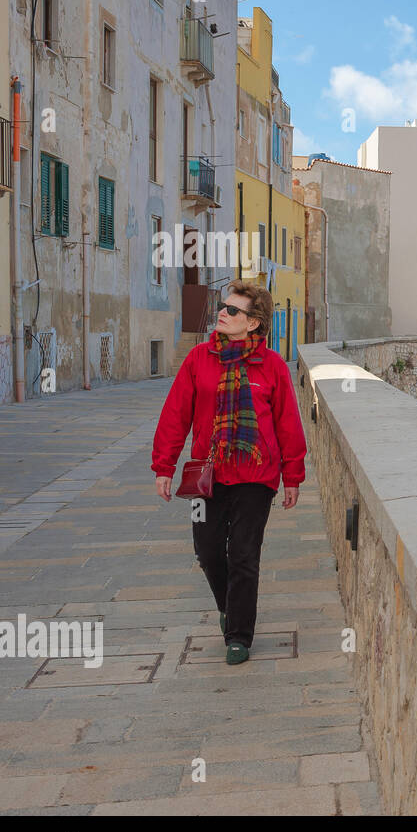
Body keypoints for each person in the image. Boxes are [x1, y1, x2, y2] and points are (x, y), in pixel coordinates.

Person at [151, 281, 307, 665]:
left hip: (257, 476)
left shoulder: (271, 367)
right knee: (206, 552)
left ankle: (239, 634)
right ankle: (228, 606)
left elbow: (288, 423)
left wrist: (293, 476)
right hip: (207, 474)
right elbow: (176, 414)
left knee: (243, 553)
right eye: (223, 307)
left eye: (233, 310)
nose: (223, 312)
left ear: (254, 323)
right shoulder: (199, 359)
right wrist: (164, 466)